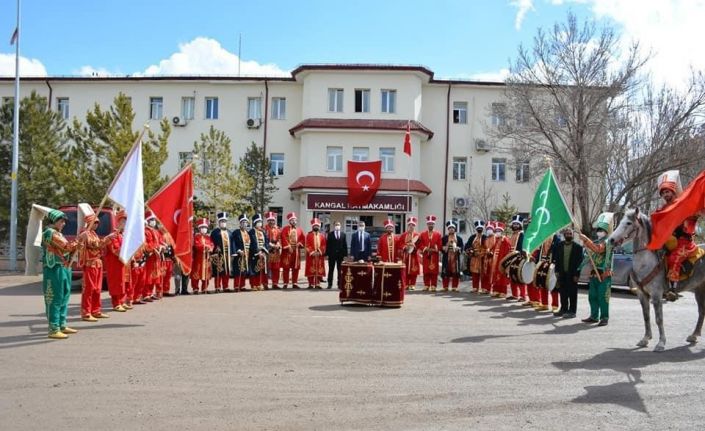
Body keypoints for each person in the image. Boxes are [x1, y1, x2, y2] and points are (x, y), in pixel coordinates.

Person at [657, 170, 700, 301]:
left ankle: (673, 288)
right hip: (669, 240)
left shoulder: (684, 205)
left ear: (673, 191)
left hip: (684, 242)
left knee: (674, 257)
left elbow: (694, 215)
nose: (665, 194)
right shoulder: (664, 208)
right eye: (663, 193)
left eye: (667, 191)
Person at [41, 209, 78, 339]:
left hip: (64, 267)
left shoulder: (58, 233)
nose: (63, 224)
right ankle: (53, 328)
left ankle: (62, 324)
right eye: (61, 221)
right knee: (55, 297)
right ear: (54, 221)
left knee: (64, 296)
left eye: (64, 222)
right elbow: (66, 247)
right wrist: (80, 240)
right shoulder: (49, 233)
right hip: (53, 268)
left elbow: (68, 251)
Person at [579, 212, 614, 326]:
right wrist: (586, 245)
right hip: (594, 273)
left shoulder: (608, 242)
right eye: (598, 229)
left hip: (604, 274)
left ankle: (604, 317)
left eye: (601, 230)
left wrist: (586, 240)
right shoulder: (597, 241)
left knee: (603, 297)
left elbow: (598, 250)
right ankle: (594, 316)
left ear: (606, 231)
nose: (599, 231)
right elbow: (591, 252)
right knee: (592, 296)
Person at [76, 213, 109, 321]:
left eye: (97, 223)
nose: (96, 225)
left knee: (97, 289)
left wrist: (105, 241)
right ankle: (86, 312)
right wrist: (106, 239)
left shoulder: (93, 233)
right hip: (89, 264)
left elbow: (99, 245)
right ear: (89, 223)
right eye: (94, 222)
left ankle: (96, 310)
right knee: (89, 289)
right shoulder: (84, 233)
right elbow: (93, 245)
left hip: (98, 264)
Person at [553, 228, 583, 318]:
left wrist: (577, 274)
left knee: (572, 293)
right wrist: (557, 271)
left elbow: (580, 262)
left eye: (570, 233)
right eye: (567, 233)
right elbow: (557, 259)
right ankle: (563, 309)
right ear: (564, 235)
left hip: (572, 274)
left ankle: (572, 311)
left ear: (572, 235)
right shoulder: (559, 245)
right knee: (563, 293)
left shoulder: (578, 247)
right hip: (562, 273)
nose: (568, 235)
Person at [104, 210, 130, 312]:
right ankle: (116, 303)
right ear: (118, 222)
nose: (124, 224)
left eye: (125, 222)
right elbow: (115, 249)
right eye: (123, 221)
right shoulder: (113, 235)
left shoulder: (122, 235)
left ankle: (122, 301)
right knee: (116, 283)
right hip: (114, 263)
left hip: (122, 262)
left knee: (122, 282)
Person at [281, 212, 305, 289]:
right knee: (286, 268)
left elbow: (302, 238)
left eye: (295, 220)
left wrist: (300, 244)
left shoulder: (299, 229)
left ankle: (295, 283)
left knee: (296, 268)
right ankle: (285, 283)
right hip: (287, 251)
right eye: (292, 220)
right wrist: (288, 246)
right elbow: (283, 238)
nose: (294, 221)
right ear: (289, 221)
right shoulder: (285, 229)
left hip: (296, 251)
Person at [418, 215, 442, 292]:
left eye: (432, 224)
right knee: (426, 270)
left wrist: (435, 248)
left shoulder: (438, 234)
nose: (430, 225)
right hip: (426, 255)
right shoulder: (423, 234)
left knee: (434, 271)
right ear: (427, 225)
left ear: (434, 224)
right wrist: (425, 248)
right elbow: (420, 244)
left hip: (434, 255)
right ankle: (426, 285)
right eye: (429, 224)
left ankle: (434, 285)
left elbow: (440, 244)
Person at [143, 212, 163, 301]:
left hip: (156, 257)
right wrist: (154, 248)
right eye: (151, 220)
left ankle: (150, 293)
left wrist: (162, 246)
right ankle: (146, 294)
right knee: (148, 275)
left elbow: (160, 241)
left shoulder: (156, 231)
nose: (153, 222)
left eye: (154, 220)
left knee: (155, 276)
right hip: (150, 257)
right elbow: (146, 244)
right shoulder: (146, 231)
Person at [210, 212, 232, 293]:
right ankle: (217, 287)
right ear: (219, 222)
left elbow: (232, 243)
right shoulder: (215, 232)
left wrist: (233, 253)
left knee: (226, 271)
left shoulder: (229, 232)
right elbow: (211, 242)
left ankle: (226, 286)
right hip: (218, 254)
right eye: (222, 221)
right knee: (218, 271)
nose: (223, 223)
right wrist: (215, 249)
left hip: (227, 255)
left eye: (225, 221)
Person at [192, 218, 214, 294]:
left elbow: (211, 244)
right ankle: (195, 288)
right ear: (199, 228)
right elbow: (197, 245)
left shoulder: (208, 237)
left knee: (206, 273)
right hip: (198, 258)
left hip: (206, 258)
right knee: (196, 273)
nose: (204, 229)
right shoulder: (196, 237)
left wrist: (210, 248)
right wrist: (205, 247)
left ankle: (204, 288)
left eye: (205, 228)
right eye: (202, 228)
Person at [490, 222, 512, 298]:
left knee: (502, 276)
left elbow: (508, 251)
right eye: (496, 231)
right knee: (495, 275)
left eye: (498, 231)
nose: (497, 232)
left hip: (502, 261)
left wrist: (504, 261)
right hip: (495, 260)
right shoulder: (496, 239)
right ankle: (496, 290)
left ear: (502, 231)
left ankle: (503, 291)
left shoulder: (505, 240)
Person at [465, 220, 487, 293]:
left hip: (483, 258)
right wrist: (471, 251)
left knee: (483, 274)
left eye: (481, 228)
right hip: (474, 258)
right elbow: (467, 247)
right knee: (474, 273)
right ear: (476, 229)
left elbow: (487, 247)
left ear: (483, 229)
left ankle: (484, 288)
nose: (479, 229)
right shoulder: (472, 237)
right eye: (478, 228)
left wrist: (481, 253)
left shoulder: (485, 237)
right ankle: (475, 288)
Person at [231, 214, 252, 291]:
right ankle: (236, 286)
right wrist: (238, 250)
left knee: (244, 270)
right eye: (243, 222)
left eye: (246, 222)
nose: (244, 224)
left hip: (246, 254)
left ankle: (242, 285)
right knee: (238, 270)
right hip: (239, 254)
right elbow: (233, 243)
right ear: (240, 223)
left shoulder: (247, 232)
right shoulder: (236, 232)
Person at [507, 215, 526, 301]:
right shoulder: (512, 234)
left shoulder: (521, 234)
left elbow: (522, 247)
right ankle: (514, 295)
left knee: (519, 277)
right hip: (511, 257)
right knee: (512, 276)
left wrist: (520, 257)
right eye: (514, 224)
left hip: (519, 258)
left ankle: (522, 296)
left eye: (517, 224)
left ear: (520, 225)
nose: (515, 225)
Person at [249, 213, 270, 291]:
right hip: (255, 253)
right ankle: (253, 284)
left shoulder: (263, 232)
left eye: (260, 222)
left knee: (261, 270)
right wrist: (257, 252)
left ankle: (259, 284)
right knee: (254, 269)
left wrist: (264, 251)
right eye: (258, 222)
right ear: (255, 223)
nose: (260, 223)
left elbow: (267, 242)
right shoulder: (251, 232)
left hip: (263, 253)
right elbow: (251, 243)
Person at [441, 220, 464, 292]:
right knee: (445, 271)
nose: (451, 229)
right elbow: (441, 246)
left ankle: (454, 287)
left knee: (456, 272)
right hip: (446, 257)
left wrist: (459, 248)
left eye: (452, 228)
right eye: (450, 228)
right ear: (448, 229)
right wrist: (443, 248)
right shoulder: (444, 238)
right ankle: (445, 287)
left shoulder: (459, 238)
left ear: (455, 229)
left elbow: (462, 247)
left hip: (455, 258)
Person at [400, 217, 421, 290]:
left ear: (414, 226)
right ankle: (406, 284)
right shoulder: (403, 235)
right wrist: (405, 247)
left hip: (414, 255)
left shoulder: (417, 235)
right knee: (405, 270)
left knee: (413, 270)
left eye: (413, 225)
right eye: (410, 225)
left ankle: (412, 284)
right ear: (408, 226)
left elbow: (419, 245)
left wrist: (414, 247)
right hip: (406, 255)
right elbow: (400, 244)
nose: (411, 226)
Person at [305, 218, 327, 289]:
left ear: (319, 227)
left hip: (319, 255)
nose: (316, 227)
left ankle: (317, 284)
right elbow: (307, 244)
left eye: (317, 226)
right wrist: (312, 252)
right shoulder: (308, 235)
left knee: (319, 269)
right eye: (315, 226)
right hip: (311, 255)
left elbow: (324, 245)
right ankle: (310, 284)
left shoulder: (322, 236)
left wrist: (319, 251)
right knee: (311, 269)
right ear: (312, 226)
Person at [326, 221, 347, 289]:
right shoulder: (330, 234)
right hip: (332, 255)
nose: (337, 226)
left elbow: (345, 245)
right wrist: (327, 254)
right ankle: (330, 283)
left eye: (338, 224)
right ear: (334, 226)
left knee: (340, 269)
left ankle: (339, 284)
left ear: (340, 226)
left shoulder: (343, 234)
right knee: (331, 269)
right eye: (336, 225)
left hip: (340, 255)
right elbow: (328, 245)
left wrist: (345, 255)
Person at [264, 212, 282, 289]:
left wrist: (278, 244)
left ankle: (275, 283)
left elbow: (280, 238)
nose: (271, 221)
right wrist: (270, 245)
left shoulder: (278, 229)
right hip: (267, 251)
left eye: (273, 220)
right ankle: (265, 284)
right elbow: (263, 240)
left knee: (276, 268)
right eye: (270, 220)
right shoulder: (264, 229)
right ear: (267, 221)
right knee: (266, 268)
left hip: (276, 252)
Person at [481, 222, 496, 295]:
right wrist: (484, 252)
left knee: (491, 274)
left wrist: (492, 252)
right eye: (487, 229)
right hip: (486, 258)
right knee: (485, 273)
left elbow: (496, 247)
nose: (489, 230)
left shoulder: (495, 238)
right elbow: (484, 247)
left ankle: (490, 289)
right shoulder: (486, 239)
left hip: (493, 258)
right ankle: (485, 288)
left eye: (490, 229)